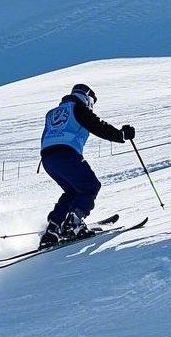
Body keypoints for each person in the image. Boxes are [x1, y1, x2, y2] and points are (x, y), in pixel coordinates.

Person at [39, 83, 135, 248]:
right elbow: (98, 126)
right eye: (92, 102)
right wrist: (121, 135)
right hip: (66, 154)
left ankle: (54, 228)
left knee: (72, 191)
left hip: (48, 158)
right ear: (87, 98)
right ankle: (74, 223)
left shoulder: (52, 112)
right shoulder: (78, 108)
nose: (92, 106)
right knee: (90, 185)